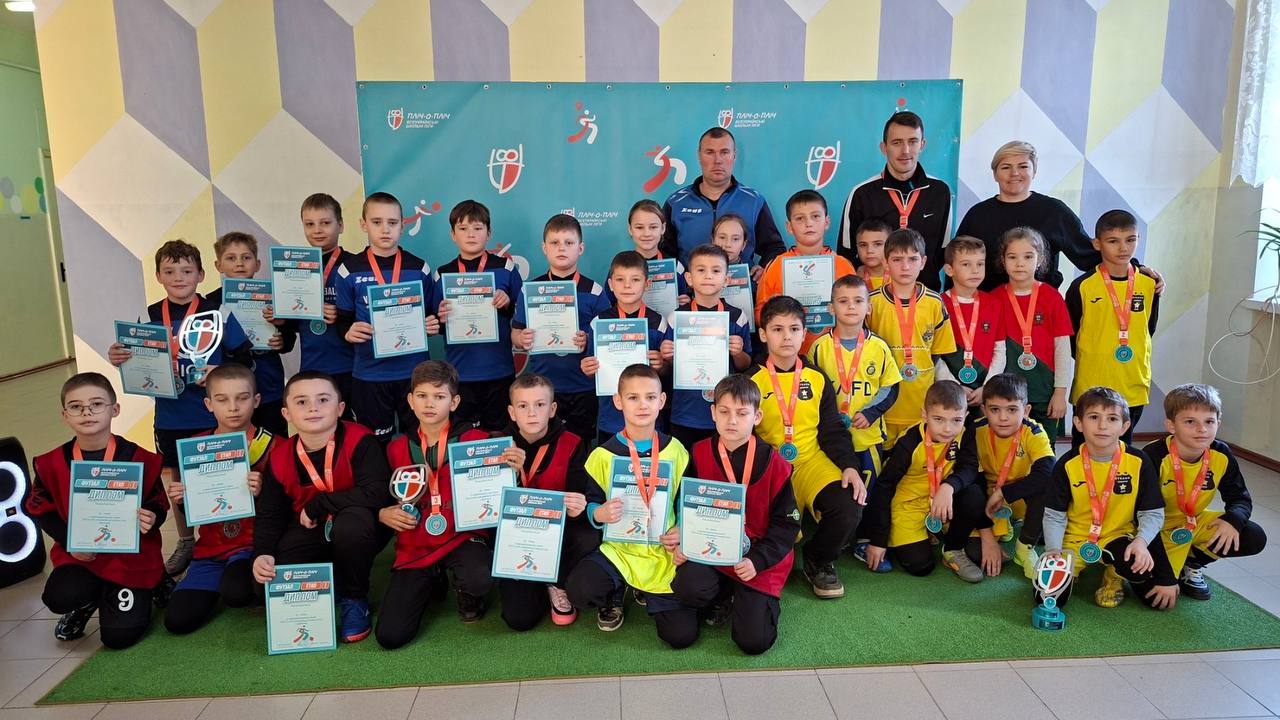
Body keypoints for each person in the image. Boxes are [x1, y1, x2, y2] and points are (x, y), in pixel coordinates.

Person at [106, 239, 252, 577]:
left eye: (186, 271)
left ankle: (228, 541)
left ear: (200, 275)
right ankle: (187, 541)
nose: (178, 278)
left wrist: (219, 371)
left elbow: (245, 360)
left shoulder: (218, 312)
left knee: (221, 475)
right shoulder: (148, 316)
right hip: (171, 416)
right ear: (158, 276)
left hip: (213, 414)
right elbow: (137, 360)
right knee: (176, 480)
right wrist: (119, 357)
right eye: (169, 272)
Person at [26, 373, 169, 647]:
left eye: (96, 404)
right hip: (82, 556)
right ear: (64, 415)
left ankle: (154, 581)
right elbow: (41, 509)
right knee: (59, 596)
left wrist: (153, 516)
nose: (87, 412)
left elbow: (159, 502)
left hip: (130, 558)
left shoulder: (140, 458)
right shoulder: (50, 463)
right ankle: (86, 601)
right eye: (76, 406)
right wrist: (71, 544)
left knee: (118, 638)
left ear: (115, 409)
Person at [252, 372, 393, 643]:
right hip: (313, 529)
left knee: (352, 523)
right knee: (265, 583)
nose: (313, 408)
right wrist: (262, 553)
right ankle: (334, 582)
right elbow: (271, 513)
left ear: (340, 408)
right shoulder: (279, 457)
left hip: (361, 527)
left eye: (323, 400)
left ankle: (355, 598)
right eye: (301, 402)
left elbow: (376, 493)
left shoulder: (361, 439)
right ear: (286, 413)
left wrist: (320, 502)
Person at [666, 374, 799, 655]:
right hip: (712, 550)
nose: (732, 421)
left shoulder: (776, 464)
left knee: (754, 642)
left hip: (756, 558)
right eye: (724, 412)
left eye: (742, 413)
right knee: (688, 586)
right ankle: (724, 594)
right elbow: (687, 507)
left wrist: (757, 560)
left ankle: (753, 601)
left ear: (757, 416)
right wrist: (684, 539)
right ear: (713, 413)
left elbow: (786, 527)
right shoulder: (699, 453)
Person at [565, 364, 694, 646]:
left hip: (663, 552)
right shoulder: (602, 455)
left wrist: (683, 528)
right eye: (633, 397)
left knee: (680, 636)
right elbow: (592, 502)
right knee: (580, 589)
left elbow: (686, 502)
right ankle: (616, 589)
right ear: (618, 401)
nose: (642, 405)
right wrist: (598, 513)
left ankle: (647, 590)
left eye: (650, 397)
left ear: (662, 401)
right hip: (619, 551)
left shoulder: (677, 450)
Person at [747, 296, 865, 598]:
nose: (786, 337)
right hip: (770, 469)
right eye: (777, 329)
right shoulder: (750, 381)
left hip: (811, 462)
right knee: (772, 556)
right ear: (763, 334)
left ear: (803, 334)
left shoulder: (817, 377)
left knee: (849, 504)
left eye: (794, 329)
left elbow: (832, 430)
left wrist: (850, 466)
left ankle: (818, 559)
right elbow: (743, 437)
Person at [376, 361, 496, 648]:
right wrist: (382, 513)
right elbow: (381, 498)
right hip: (416, 544)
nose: (429, 404)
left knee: (479, 578)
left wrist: (512, 466)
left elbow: (495, 491)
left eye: (439, 396)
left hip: (461, 535)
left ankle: (468, 591)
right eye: (422, 396)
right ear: (410, 400)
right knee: (391, 636)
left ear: (454, 402)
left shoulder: (476, 441)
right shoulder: (395, 448)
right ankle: (433, 578)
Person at [955, 140, 1163, 292]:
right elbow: (958, 262)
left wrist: (1136, 269)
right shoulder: (978, 215)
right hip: (987, 312)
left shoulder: (1053, 211)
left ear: (1034, 171)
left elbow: (1088, 255)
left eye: (1023, 166)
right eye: (1006, 167)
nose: (1014, 173)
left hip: (1041, 311)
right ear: (995, 174)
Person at [164, 365, 277, 634]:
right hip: (210, 550)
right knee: (177, 621)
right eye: (222, 400)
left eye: (242, 398)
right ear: (209, 404)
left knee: (237, 592)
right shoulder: (195, 447)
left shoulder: (274, 445)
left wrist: (264, 492)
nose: (233, 408)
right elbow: (196, 510)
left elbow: (287, 509)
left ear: (256, 401)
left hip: (251, 545)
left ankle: (242, 582)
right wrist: (182, 500)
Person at [1040, 387, 1174, 610]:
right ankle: (1072, 568)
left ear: (1125, 427)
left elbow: (1151, 512)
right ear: (1078, 423)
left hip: (1118, 535)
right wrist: (1053, 551)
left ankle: (1114, 574)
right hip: (1075, 539)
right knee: (1047, 599)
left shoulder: (1139, 461)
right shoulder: (1066, 464)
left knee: (1147, 587)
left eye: (1112, 419)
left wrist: (1141, 542)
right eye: (1094, 417)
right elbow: (1054, 515)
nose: (1102, 426)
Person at [806, 274, 902, 572]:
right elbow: (809, 389)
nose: (851, 307)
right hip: (831, 441)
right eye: (843, 301)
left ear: (869, 307)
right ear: (831, 307)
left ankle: (864, 540)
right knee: (838, 489)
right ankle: (839, 536)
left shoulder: (879, 347)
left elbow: (891, 387)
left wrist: (871, 412)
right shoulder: (819, 347)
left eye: (858, 301)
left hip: (867, 438)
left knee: (868, 490)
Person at [1143, 384, 1267, 604]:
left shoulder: (1221, 453)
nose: (1202, 429)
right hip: (1151, 529)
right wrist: (1165, 578)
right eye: (1190, 422)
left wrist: (1233, 520)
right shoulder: (1153, 456)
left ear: (1218, 423)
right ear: (1171, 425)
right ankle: (1166, 569)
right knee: (1154, 597)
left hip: (1192, 522)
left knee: (1252, 535)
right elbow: (1143, 514)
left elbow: (1239, 497)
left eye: (1209, 421)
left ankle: (1192, 562)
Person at [334, 191, 439, 442]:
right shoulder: (349, 270)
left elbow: (432, 315)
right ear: (363, 224)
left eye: (392, 222)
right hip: (370, 375)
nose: (385, 229)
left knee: (419, 441)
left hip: (415, 374)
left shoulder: (419, 268)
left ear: (402, 225)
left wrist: (433, 323)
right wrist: (348, 331)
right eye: (376, 222)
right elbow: (342, 320)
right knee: (374, 444)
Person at [496, 374, 599, 629]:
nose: (532, 412)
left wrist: (577, 507)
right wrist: (511, 476)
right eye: (523, 406)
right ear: (511, 412)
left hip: (559, 532)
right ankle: (531, 580)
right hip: (517, 536)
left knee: (588, 536)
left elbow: (579, 494)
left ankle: (557, 581)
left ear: (552, 409)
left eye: (540, 404)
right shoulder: (497, 445)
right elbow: (487, 504)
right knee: (520, 620)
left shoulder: (573, 443)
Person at [861, 381, 989, 582]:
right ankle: (926, 532)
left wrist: (948, 487)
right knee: (920, 566)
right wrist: (878, 540)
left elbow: (969, 467)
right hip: (909, 505)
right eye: (938, 419)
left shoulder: (966, 430)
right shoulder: (909, 442)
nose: (948, 428)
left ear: (965, 416)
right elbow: (884, 487)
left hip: (943, 498)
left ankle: (952, 548)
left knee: (974, 496)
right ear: (924, 415)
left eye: (956, 420)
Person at [511, 213, 610, 441]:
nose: (561, 248)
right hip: (543, 388)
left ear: (580, 248)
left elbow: (607, 340)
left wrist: (588, 340)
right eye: (554, 242)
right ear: (544, 248)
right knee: (544, 447)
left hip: (583, 388)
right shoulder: (530, 290)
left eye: (569, 242)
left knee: (580, 446)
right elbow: (515, 333)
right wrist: (521, 339)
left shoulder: (594, 291)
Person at [1067, 210, 1160, 448]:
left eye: (1130, 240)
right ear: (1097, 244)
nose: (1123, 248)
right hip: (1091, 383)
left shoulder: (1149, 284)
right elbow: (1072, 336)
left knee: (1122, 449)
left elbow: (1148, 328)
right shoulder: (1082, 286)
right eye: (1113, 241)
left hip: (1132, 382)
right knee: (1084, 449)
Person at [430, 200, 522, 431]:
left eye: (478, 228)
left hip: (498, 370)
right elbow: (434, 322)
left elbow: (523, 315)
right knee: (464, 437)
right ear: (453, 234)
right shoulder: (443, 273)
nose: (471, 234)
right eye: (463, 228)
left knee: (499, 435)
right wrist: (440, 317)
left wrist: (507, 302)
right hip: (459, 373)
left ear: (489, 233)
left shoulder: (506, 268)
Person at [837, 111, 952, 290]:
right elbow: (847, 255)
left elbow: (943, 251)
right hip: (874, 298)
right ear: (884, 147)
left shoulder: (940, 192)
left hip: (924, 296)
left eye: (912, 141)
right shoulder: (861, 194)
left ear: (922, 144)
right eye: (897, 142)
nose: (905, 150)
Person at [866, 228, 956, 446]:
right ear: (886, 263)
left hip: (921, 405)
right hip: (883, 406)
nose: (905, 267)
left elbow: (937, 353)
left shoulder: (934, 303)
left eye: (912, 259)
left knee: (917, 459)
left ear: (923, 262)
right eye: (897, 259)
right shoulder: (871, 302)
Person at [660, 243, 753, 448]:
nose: (708, 276)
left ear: (726, 279)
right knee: (687, 464)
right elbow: (668, 369)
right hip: (685, 412)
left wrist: (738, 353)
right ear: (689, 278)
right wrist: (668, 356)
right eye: (701, 270)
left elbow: (746, 365)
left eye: (716, 271)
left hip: (725, 413)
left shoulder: (737, 317)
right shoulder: (676, 318)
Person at [660, 126, 785, 274]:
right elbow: (663, 252)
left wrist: (764, 269)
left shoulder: (753, 201)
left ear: (734, 156)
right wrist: (681, 279)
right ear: (699, 156)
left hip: (742, 285)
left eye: (724, 152)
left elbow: (774, 248)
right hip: (690, 287)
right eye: (710, 152)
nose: (717, 160)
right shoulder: (676, 202)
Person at [206, 231, 295, 437]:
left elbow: (290, 340)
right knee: (233, 438)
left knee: (272, 439)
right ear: (218, 266)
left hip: (268, 382)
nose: (239, 263)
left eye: (246, 258)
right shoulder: (210, 303)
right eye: (231, 258)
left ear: (257, 264)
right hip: (230, 388)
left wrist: (281, 338)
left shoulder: (275, 297)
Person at [992, 226, 1073, 440]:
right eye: (1012, 257)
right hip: (1005, 395)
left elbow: (1063, 349)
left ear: (1040, 260)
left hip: (1045, 392)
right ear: (1003, 260)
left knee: (1044, 448)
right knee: (1007, 448)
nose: (1020, 263)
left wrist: (1060, 392)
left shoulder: (1052, 298)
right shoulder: (994, 299)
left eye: (1028, 256)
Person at [972, 373, 1055, 579]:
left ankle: (1024, 546)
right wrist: (987, 536)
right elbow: (970, 478)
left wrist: (1004, 492)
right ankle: (998, 529)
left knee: (1048, 487)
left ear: (1026, 411)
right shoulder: (974, 430)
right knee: (975, 554)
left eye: (1011, 409)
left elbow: (1047, 471)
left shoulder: (1033, 432)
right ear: (984, 409)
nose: (1003, 418)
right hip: (986, 500)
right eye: (994, 410)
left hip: (1017, 496)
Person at [580, 251, 668, 444]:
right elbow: (593, 371)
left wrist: (662, 365)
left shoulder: (659, 323)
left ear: (646, 284)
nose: (627, 285)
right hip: (611, 419)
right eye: (620, 280)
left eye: (635, 280)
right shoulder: (599, 322)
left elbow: (667, 373)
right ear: (611, 284)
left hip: (648, 421)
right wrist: (588, 369)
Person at [754, 189, 856, 356]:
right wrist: (774, 309)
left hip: (835, 355)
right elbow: (759, 315)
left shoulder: (843, 265)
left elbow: (857, 310)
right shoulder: (776, 266)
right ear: (789, 227)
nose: (808, 223)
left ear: (827, 222)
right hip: (790, 356)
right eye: (800, 218)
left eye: (815, 216)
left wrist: (841, 310)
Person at [291, 193, 356, 414]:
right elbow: (290, 326)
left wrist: (341, 313)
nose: (317, 230)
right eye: (310, 224)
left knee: (351, 425)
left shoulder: (355, 266)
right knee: (317, 424)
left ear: (341, 225)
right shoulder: (293, 268)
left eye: (325, 223)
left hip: (350, 365)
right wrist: (279, 320)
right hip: (312, 366)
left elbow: (366, 312)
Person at [939, 235, 1006, 418]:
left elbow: (1000, 350)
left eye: (980, 264)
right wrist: (954, 386)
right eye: (966, 264)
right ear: (949, 270)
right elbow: (934, 355)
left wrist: (987, 387)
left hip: (984, 392)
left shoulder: (994, 304)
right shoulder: (937, 304)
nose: (975, 270)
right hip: (948, 392)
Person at [853, 219, 892, 292]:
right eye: (863, 245)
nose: (869, 251)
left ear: (890, 245)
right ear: (857, 247)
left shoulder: (900, 276)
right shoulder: (853, 278)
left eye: (878, 244)